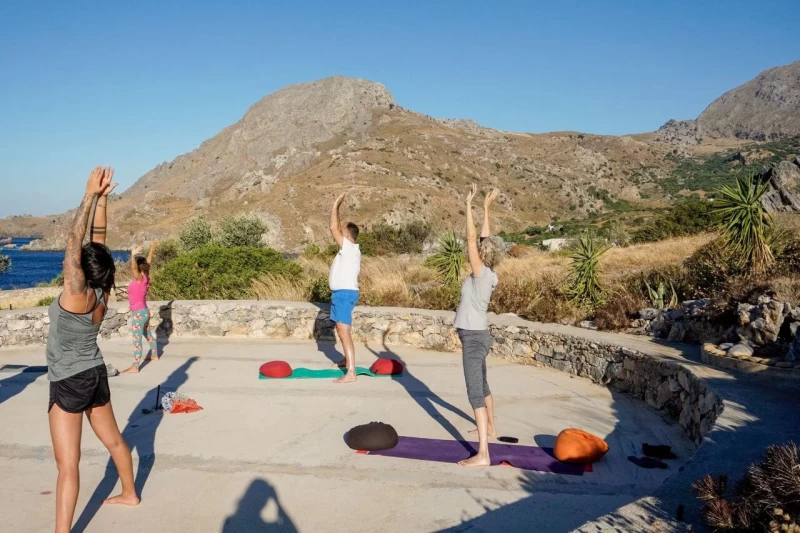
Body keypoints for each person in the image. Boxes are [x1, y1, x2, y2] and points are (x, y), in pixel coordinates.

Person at [47, 167, 139, 533]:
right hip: (95, 374)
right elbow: (96, 240)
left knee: (67, 466)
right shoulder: (100, 291)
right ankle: (130, 493)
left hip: (69, 380)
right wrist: (102, 200)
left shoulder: (75, 293)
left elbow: (74, 239)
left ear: (80, 272)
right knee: (115, 440)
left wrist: (88, 197)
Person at [454, 185, 505, 467]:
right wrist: (486, 207)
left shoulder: (479, 272)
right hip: (478, 335)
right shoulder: (491, 273)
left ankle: (483, 454)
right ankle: (492, 428)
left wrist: (468, 204)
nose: (477, 248)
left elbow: (473, 238)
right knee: (483, 386)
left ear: (483, 255)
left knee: (474, 391)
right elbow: (484, 238)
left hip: (473, 338)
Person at [328, 192, 362, 384]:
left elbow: (333, 227)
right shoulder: (349, 250)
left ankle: (351, 372)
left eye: (342, 231)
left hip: (344, 295)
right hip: (341, 294)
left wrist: (336, 205)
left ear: (347, 235)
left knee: (343, 331)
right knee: (341, 329)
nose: (339, 232)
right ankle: (346, 360)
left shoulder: (349, 247)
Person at [122, 239, 160, 374]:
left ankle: (135, 366)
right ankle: (154, 354)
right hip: (144, 312)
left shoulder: (140, 279)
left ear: (138, 267)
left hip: (138, 314)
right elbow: (148, 262)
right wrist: (152, 247)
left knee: (137, 340)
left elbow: (133, 268)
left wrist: (132, 255)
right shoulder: (146, 278)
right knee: (147, 334)